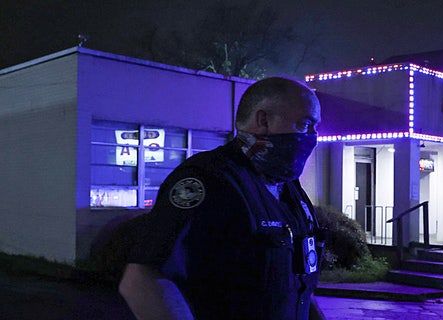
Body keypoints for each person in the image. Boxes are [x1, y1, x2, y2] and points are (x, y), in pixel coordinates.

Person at [118, 77, 326, 319]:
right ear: (263, 120)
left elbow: (297, 288)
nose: (313, 136)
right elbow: (142, 278)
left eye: (315, 128)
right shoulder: (210, 179)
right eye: (304, 125)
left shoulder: (290, 190)